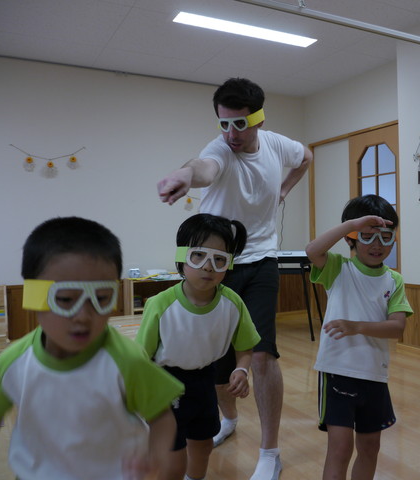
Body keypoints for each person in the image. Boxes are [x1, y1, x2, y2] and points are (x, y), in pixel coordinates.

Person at [157, 77, 312, 480]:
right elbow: (204, 168)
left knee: (261, 354)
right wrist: (184, 174)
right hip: (217, 265)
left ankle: (270, 452)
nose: (231, 134)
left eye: (240, 124)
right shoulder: (219, 150)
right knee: (215, 359)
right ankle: (228, 419)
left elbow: (307, 157)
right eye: (223, 124)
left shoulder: (278, 145)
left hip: (261, 261)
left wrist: (284, 189)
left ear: (258, 119)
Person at [0, 216, 184, 480]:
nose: (83, 316)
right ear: (33, 296)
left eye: (101, 298)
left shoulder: (127, 360)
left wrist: (155, 455)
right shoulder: (14, 363)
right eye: (65, 299)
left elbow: (161, 416)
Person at [136, 213, 261, 480]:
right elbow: (141, 356)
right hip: (166, 384)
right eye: (199, 256)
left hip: (206, 380)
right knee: (173, 454)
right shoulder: (160, 304)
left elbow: (245, 346)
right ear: (182, 258)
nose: (208, 267)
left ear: (229, 264)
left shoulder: (233, 303)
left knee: (203, 444)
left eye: (219, 259)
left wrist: (241, 370)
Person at [305, 195, 413, 480]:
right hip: (337, 371)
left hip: (375, 374)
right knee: (340, 449)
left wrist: (357, 326)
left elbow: (397, 328)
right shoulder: (338, 268)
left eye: (385, 237)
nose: (378, 245)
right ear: (351, 238)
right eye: (367, 236)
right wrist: (351, 224)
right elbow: (312, 250)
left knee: (370, 447)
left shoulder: (394, 280)